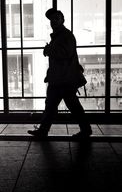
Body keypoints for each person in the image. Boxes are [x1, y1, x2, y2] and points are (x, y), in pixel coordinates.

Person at [28, 8, 92, 139]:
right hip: (61, 79)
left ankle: (44, 131)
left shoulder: (66, 35)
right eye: (51, 20)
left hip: (64, 80)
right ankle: (44, 130)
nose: (53, 21)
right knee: (55, 105)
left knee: (59, 106)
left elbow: (65, 54)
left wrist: (48, 50)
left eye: (56, 19)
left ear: (63, 20)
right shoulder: (60, 36)